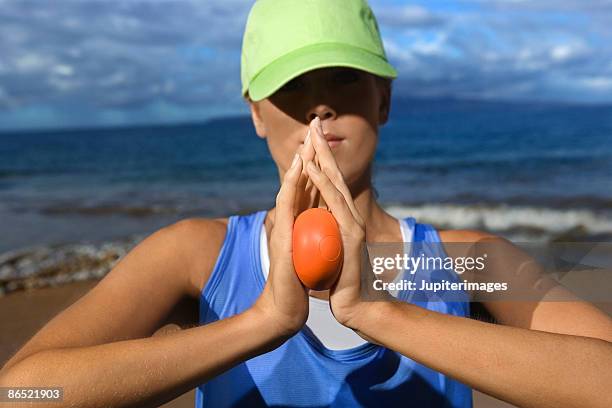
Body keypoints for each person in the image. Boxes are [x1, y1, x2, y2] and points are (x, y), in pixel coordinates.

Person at [1, 0, 611, 407]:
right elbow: (24, 395)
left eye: (344, 79)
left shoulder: (459, 263)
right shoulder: (199, 255)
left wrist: (378, 312)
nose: (319, 105)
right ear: (255, 113)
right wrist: (261, 322)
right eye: (291, 86)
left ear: (385, 100)